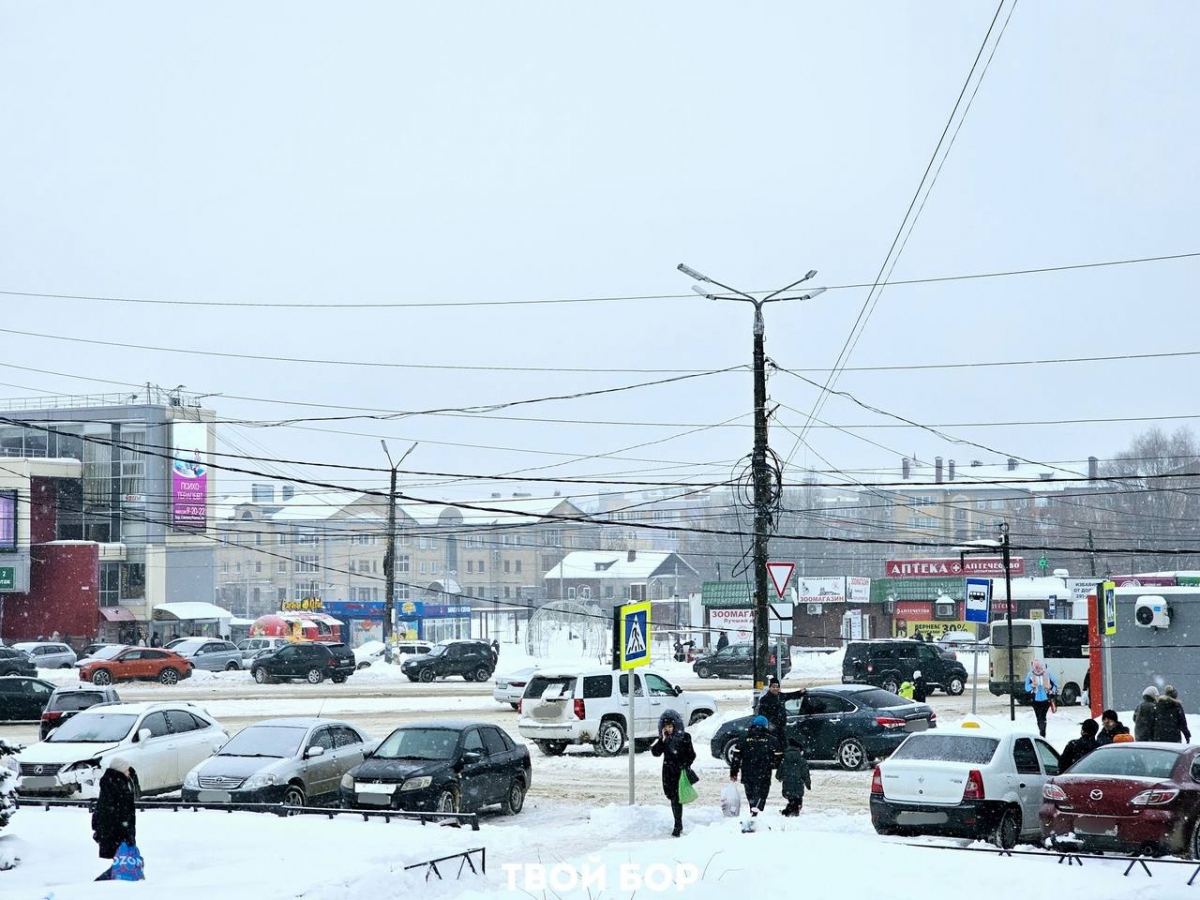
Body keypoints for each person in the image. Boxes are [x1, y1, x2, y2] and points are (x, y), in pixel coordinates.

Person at [650, 709, 696, 838]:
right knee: (672, 797)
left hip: (679, 772)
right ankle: (677, 823)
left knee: (677, 799)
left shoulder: (685, 737)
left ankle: (678, 825)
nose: (668, 729)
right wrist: (662, 740)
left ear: (675, 726)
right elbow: (655, 753)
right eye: (665, 727)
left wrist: (685, 764)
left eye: (670, 726)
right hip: (668, 773)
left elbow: (691, 755)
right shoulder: (664, 739)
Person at [92, 757, 136, 880]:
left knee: (121, 858)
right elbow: (122, 811)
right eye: (126, 769)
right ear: (120, 770)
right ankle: (106, 881)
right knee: (121, 858)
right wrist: (127, 833)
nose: (129, 772)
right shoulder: (118, 785)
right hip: (117, 831)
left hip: (112, 830)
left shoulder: (112, 783)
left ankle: (112, 878)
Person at [729, 715, 781, 820]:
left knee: (751, 795)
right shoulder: (771, 739)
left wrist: (733, 772)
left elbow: (736, 757)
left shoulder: (743, 738)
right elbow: (778, 757)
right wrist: (771, 764)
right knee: (762, 795)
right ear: (766, 726)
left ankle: (753, 811)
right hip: (764, 772)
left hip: (747, 772)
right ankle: (756, 812)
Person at [755, 677, 806, 744]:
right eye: (773, 687)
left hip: (781, 727)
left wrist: (800, 692)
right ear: (770, 688)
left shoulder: (781, 696)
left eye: (777, 687)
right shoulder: (764, 699)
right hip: (771, 728)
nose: (775, 689)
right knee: (774, 745)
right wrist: (769, 724)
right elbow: (762, 714)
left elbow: (791, 695)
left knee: (783, 744)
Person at [775, 736, 811, 817]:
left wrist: (780, 778)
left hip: (787, 785)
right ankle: (790, 812)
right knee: (797, 801)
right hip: (798, 785)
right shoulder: (802, 760)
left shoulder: (784, 760)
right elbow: (805, 774)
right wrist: (808, 783)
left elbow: (778, 774)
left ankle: (789, 812)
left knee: (792, 800)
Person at [1024, 660, 1058, 738]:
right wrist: (1032, 685)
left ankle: (1042, 733)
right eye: (1036, 667)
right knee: (1039, 717)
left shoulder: (1047, 674)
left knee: (1042, 716)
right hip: (1035, 700)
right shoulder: (1030, 675)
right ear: (1033, 667)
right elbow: (1026, 688)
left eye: (1039, 667)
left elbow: (1055, 684)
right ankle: (1042, 732)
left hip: (1046, 699)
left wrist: (1051, 689)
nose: (1038, 669)